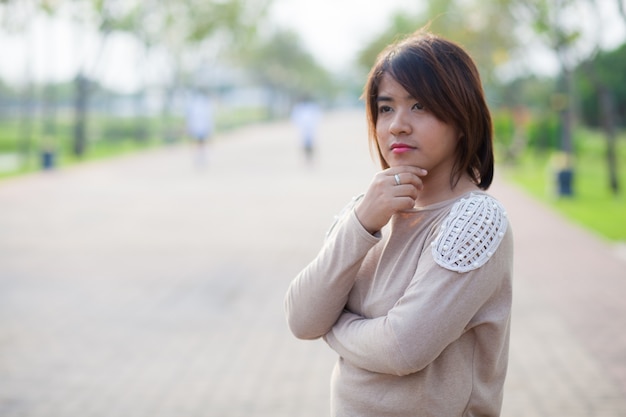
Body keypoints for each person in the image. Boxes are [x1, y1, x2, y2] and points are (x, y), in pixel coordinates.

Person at [284, 29, 514, 417]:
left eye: (420, 106)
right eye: (386, 108)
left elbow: (402, 347)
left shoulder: (476, 220)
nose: (397, 126)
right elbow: (302, 318)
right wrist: (360, 224)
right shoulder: (368, 209)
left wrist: (335, 325)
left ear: (462, 117)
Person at [186, 90, 214, 166]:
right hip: (202, 127)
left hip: (196, 127)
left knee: (198, 143)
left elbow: (190, 117)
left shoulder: (193, 104)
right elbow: (209, 117)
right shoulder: (205, 104)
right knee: (201, 143)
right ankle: (200, 157)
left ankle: (199, 157)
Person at [290, 97, 322, 162]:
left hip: (310, 127)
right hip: (304, 127)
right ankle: (307, 157)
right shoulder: (300, 107)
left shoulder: (310, 107)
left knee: (310, 143)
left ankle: (309, 157)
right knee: (305, 143)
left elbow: (318, 116)